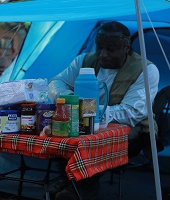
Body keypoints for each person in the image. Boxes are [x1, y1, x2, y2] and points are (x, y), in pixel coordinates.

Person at [48, 21, 159, 200]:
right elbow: (56, 82)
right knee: (60, 132)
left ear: (126, 48)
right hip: (84, 121)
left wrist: (88, 111)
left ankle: (85, 186)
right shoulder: (84, 61)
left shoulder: (146, 70)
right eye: (99, 48)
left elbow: (132, 113)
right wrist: (69, 97)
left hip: (130, 128)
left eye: (111, 49)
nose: (103, 55)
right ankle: (70, 178)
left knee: (93, 139)